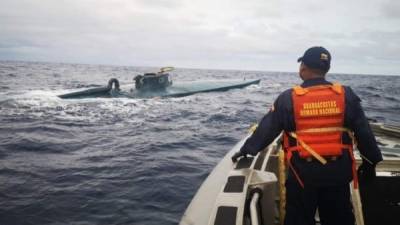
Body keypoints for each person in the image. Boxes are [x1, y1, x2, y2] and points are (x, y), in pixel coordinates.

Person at [232, 46, 382, 225]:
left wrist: (247, 150)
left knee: (299, 219)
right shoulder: (346, 95)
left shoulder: (288, 98)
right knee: (339, 218)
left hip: (302, 174)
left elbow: (267, 129)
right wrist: (370, 162)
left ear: (303, 67)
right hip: (338, 173)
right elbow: (364, 132)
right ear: (327, 69)